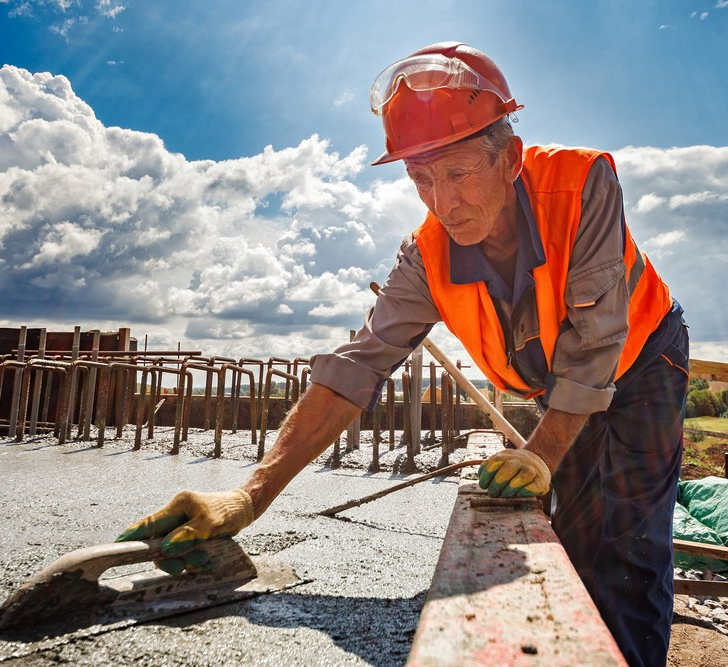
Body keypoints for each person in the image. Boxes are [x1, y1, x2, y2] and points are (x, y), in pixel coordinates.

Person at [117, 42, 689, 667]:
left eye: (460, 173)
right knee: (575, 533)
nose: (444, 203)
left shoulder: (582, 184)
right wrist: (250, 495)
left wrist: (543, 452)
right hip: (560, 391)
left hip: (642, 365)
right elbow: (355, 368)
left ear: (511, 160)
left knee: (627, 547)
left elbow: (596, 338)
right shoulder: (426, 255)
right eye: (421, 179)